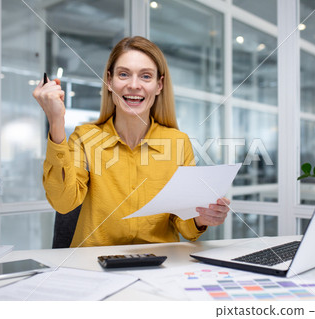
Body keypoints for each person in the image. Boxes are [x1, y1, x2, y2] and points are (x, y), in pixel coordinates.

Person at [33, 36, 230, 247]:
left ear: (159, 85)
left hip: (159, 264)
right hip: (94, 266)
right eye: (124, 74)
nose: (133, 85)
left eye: (146, 76)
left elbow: (183, 222)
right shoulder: (84, 138)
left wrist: (201, 218)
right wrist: (56, 122)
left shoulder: (177, 142)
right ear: (109, 82)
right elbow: (63, 203)